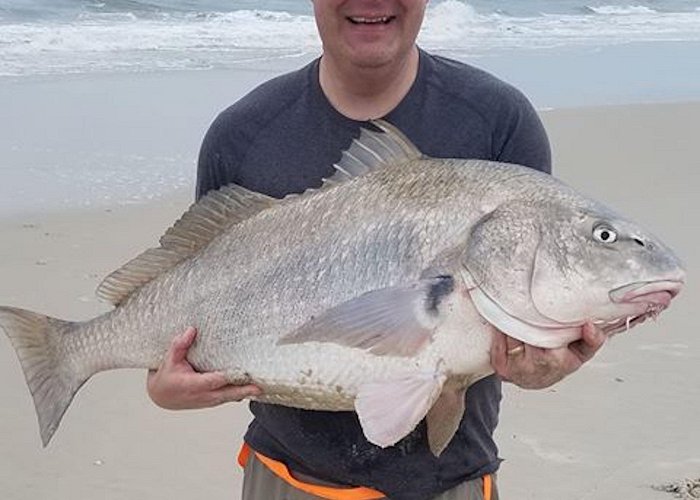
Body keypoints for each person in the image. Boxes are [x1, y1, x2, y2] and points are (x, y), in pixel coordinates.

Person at [147, 1, 606, 498]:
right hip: (282, 477)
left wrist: (541, 367)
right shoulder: (242, 134)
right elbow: (188, 298)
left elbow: (520, 306)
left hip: (450, 482)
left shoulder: (499, 122)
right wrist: (162, 387)